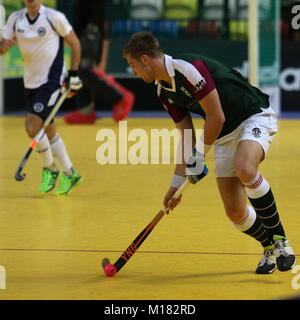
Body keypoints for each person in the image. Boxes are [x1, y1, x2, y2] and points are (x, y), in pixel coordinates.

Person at [122, 31, 296, 274]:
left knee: (245, 167)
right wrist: (175, 184)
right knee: (235, 212)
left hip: (252, 115)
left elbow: (216, 116)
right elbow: (186, 136)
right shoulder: (163, 92)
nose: (134, 72)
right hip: (224, 134)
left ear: (145, 59)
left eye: (132, 66)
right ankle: (268, 246)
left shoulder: (187, 68)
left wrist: (199, 155)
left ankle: (281, 240)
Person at [0, 0, 83, 195]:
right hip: (30, 83)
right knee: (49, 129)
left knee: (32, 127)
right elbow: (2, 48)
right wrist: (4, 45)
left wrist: (73, 76)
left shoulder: (54, 18)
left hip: (52, 81)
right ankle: (71, 173)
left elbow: (75, 43)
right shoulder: (15, 19)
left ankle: (49, 169)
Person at [63, 0, 134, 124]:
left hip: (90, 33)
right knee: (79, 71)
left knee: (85, 71)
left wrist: (98, 38)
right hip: (84, 31)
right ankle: (86, 111)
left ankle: (120, 98)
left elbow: (99, 16)